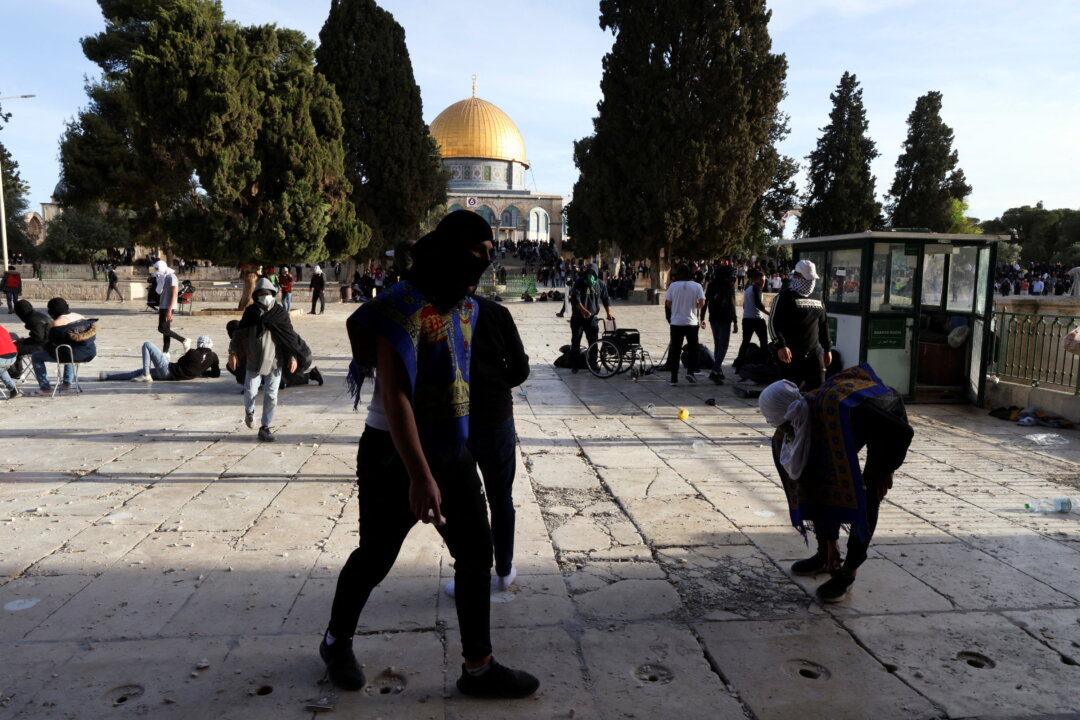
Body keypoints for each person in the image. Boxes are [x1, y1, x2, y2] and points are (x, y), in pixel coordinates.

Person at [323, 210, 539, 699]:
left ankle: (478, 667)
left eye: (490, 253)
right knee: (377, 556)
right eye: (480, 252)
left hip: (450, 447)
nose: (486, 261)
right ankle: (336, 641)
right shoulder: (399, 307)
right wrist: (420, 477)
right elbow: (396, 395)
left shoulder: (466, 307)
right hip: (393, 453)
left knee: (475, 554)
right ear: (455, 248)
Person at [758, 364, 914, 602]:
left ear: (787, 413)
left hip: (886, 421)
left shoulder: (843, 410)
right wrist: (829, 539)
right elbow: (814, 482)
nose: (776, 427)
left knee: (868, 493)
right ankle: (825, 554)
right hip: (856, 423)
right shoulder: (801, 415)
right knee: (819, 476)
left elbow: (902, 432)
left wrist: (887, 469)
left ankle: (848, 571)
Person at [444, 292, 530, 598]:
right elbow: (520, 369)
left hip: (455, 418)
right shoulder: (497, 313)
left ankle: (470, 573)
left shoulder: (437, 314)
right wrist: (493, 382)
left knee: (462, 502)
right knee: (500, 497)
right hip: (495, 416)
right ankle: (504, 571)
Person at [227, 278, 302, 441]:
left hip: (275, 360)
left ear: (273, 294)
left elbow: (289, 336)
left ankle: (265, 426)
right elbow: (238, 334)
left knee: (272, 395)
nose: (264, 296)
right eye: (261, 294)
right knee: (250, 391)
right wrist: (233, 353)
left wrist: (292, 356)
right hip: (254, 359)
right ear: (255, 296)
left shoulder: (279, 313)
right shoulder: (251, 313)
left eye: (267, 293)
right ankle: (249, 411)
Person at [769, 259, 832, 392]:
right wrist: (781, 345)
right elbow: (773, 323)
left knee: (818, 392)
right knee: (789, 394)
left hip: (815, 353)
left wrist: (827, 349)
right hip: (791, 354)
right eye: (806, 278)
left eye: (812, 279)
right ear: (797, 276)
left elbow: (823, 324)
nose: (810, 282)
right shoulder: (784, 297)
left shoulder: (817, 298)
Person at [30, 297, 98, 395]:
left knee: (37, 356)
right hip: (90, 352)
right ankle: (67, 383)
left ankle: (45, 388)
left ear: (51, 311)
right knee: (67, 348)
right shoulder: (80, 316)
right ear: (67, 307)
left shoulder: (57, 323)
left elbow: (52, 343)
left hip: (73, 354)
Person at [99, 336, 220, 382]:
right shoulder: (214, 357)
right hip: (173, 377)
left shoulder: (193, 352)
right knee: (137, 373)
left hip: (168, 370)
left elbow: (180, 363)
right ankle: (108, 376)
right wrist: (201, 372)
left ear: (199, 345)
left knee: (147, 344)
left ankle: (146, 374)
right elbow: (216, 373)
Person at [664, 264, 706, 386]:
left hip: (676, 322)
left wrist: (677, 308)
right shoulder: (697, 286)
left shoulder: (673, 285)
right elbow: (702, 302)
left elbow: (668, 303)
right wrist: (694, 307)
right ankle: (690, 372)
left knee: (675, 349)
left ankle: (674, 378)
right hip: (691, 322)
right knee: (693, 349)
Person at [568, 263, 614, 373]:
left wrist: (608, 313)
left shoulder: (600, 284)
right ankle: (575, 365)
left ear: (596, 273)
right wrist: (583, 310)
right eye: (589, 272)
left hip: (592, 318)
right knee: (576, 341)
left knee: (593, 341)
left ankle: (593, 364)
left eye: (593, 273)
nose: (590, 274)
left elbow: (606, 299)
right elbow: (575, 298)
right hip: (578, 317)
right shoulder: (579, 282)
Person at [705, 263, 738, 385]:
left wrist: (702, 317)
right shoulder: (729, 285)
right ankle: (715, 370)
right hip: (725, 318)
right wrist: (735, 321)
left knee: (717, 345)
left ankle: (718, 371)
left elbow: (706, 300)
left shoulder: (712, 284)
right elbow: (732, 303)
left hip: (713, 318)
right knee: (723, 345)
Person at [151, 260, 189, 353]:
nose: (156, 271)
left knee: (162, 328)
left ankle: (184, 340)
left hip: (168, 306)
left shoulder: (171, 277)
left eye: (157, 269)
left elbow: (174, 294)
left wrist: (169, 309)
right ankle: (165, 352)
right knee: (166, 330)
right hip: (163, 305)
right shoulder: (163, 277)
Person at [735, 270, 770, 369]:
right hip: (757, 319)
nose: (764, 283)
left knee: (745, 342)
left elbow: (744, 305)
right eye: (762, 280)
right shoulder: (757, 288)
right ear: (756, 280)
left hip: (746, 319)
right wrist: (770, 314)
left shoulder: (748, 289)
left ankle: (739, 365)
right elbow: (759, 304)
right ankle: (764, 364)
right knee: (763, 342)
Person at [11, 299, 50, 380]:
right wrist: (23, 341)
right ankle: (18, 371)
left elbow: (38, 338)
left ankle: (15, 374)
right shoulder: (37, 314)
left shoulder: (32, 319)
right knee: (17, 346)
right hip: (48, 342)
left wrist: (24, 341)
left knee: (12, 349)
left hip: (43, 345)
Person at [0, 325, 20, 399]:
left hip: (2, 358)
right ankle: (13, 389)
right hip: (13, 357)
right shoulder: (1, 328)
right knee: (1, 370)